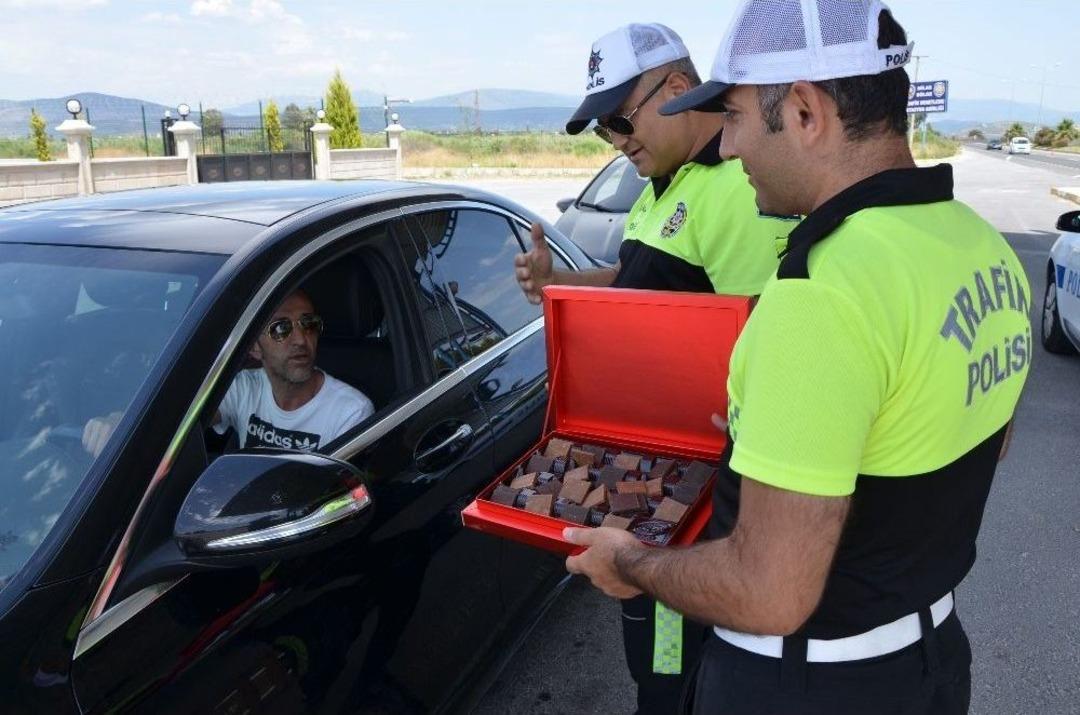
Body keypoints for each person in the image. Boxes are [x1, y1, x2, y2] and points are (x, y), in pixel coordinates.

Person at [562, 2, 1031, 714]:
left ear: (807, 112)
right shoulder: (980, 246)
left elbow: (769, 591)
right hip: (930, 661)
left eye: (739, 116)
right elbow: (977, 438)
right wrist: (783, 429)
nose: (726, 147)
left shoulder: (822, 290)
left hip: (806, 684)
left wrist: (629, 562)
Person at [515, 23, 797, 715]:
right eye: (601, 130)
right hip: (652, 468)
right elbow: (645, 283)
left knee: (673, 668)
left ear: (676, 88)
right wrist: (563, 284)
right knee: (651, 649)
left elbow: (771, 336)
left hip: (701, 488)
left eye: (619, 119)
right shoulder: (663, 185)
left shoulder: (739, 192)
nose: (615, 140)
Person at [82, 290, 374, 456]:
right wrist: (123, 424)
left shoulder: (350, 412)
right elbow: (179, 417)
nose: (300, 339)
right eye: (281, 328)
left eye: (308, 324)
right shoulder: (245, 387)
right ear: (255, 350)